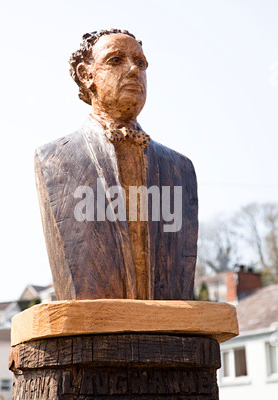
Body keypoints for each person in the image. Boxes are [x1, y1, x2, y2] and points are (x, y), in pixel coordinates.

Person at [35, 29, 198, 301]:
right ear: (87, 75)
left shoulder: (180, 168)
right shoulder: (56, 159)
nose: (134, 70)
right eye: (115, 60)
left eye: (141, 63)